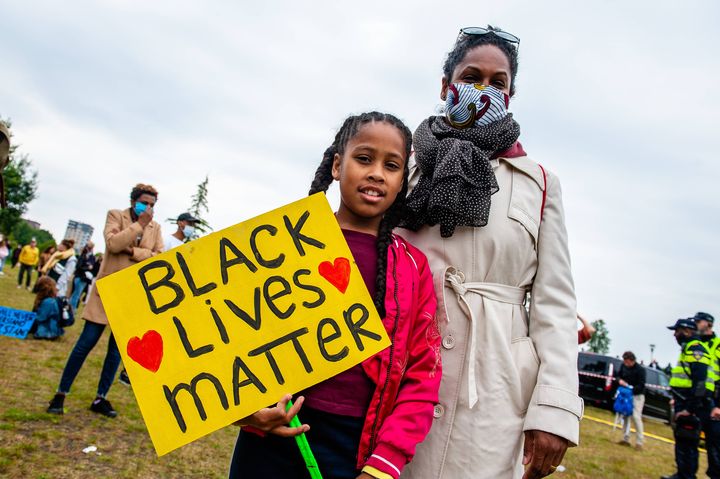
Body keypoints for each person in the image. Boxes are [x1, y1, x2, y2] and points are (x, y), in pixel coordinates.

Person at [398, 26, 583, 479]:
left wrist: (554, 409)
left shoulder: (539, 183)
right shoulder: (404, 165)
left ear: (511, 94)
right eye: (470, 76)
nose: (482, 90)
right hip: (403, 371)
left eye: (497, 82)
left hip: (496, 387)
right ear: (446, 86)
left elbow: (555, 305)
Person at [228, 112, 441, 479]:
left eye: (392, 165)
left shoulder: (412, 267)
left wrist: (384, 463)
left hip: (355, 446)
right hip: (269, 435)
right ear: (338, 166)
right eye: (364, 158)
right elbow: (233, 337)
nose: (376, 172)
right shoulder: (285, 243)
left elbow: (423, 373)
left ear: (402, 181)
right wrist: (249, 411)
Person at [47, 184, 163, 418]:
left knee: (116, 352)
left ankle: (101, 397)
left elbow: (158, 256)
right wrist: (138, 225)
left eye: (152, 204)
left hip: (131, 297)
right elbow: (113, 244)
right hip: (107, 293)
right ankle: (61, 393)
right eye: (144, 202)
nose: (148, 207)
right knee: (85, 343)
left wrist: (133, 252)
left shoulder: (156, 228)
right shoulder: (115, 216)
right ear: (134, 201)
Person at [661, 318, 719, 479]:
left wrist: (689, 409)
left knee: (688, 443)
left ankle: (686, 475)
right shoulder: (689, 349)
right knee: (684, 442)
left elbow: (700, 381)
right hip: (686, 402)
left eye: (677, 331)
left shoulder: (695, 349)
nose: (674, 335)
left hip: (693, 405)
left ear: (686, 331)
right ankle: (683, 473)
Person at [614, 351, 646, 450]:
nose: (625, 364)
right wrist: (619, 380)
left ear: (632, 360)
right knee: (625, 416)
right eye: (624, 362)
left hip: (637, 396)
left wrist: (630, 388)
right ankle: (625, 439)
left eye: (627, 362)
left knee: (636, 417)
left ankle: (639, 442)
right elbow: (617, 376)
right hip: (625, 395)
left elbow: (641, 385)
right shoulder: (623, 366)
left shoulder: (641, 370)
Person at [69, 241, 97, 309]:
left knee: (76, 295)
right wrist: (87, 267)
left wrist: (88, 267)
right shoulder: (83, 255)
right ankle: (71, 309)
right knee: (75, 295)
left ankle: (71, 308)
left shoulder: (92, 257)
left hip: (84, 278)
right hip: (80, 277)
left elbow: (92, 267)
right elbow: (79, 266)